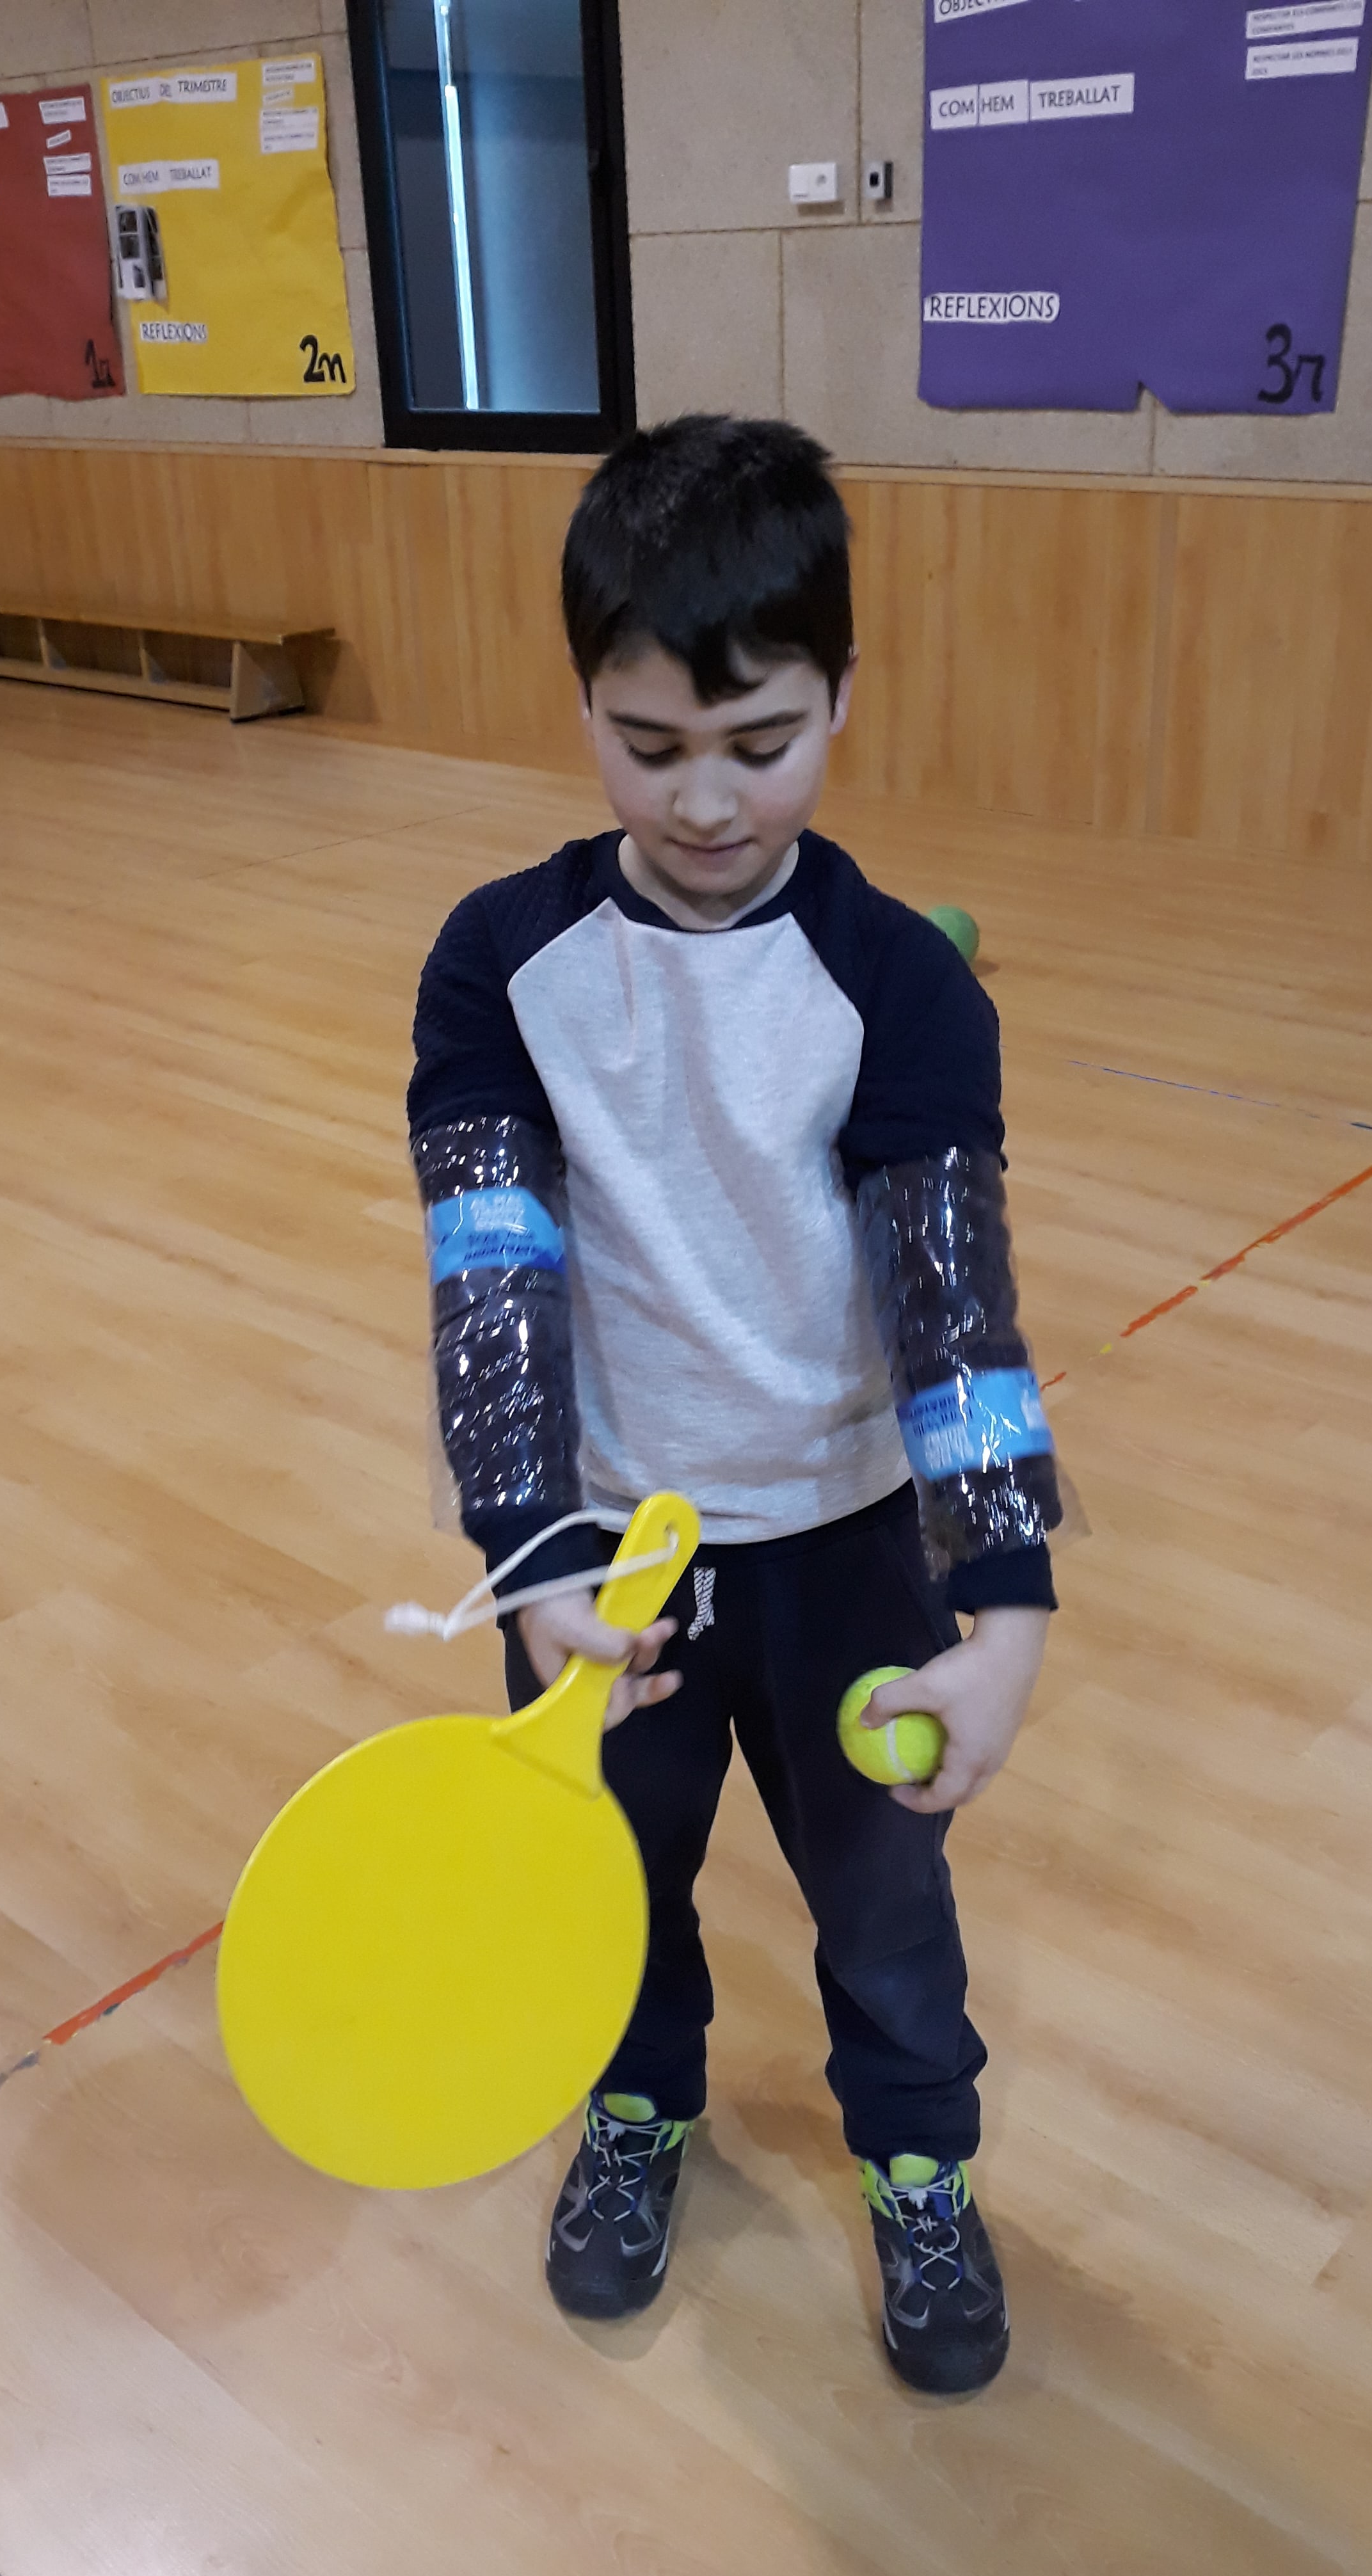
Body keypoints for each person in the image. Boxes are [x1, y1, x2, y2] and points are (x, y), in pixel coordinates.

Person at [406, 416, 1060, 2395]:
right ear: (586, 705)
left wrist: (1004, 1611)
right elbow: (492, 1281)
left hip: (849, 1547)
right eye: (648, 743)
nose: (703, 800)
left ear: (842, 696)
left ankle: (919, 2163)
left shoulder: (905, 991)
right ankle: (638, 2106)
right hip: (612, 1557)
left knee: (884, 1904)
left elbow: (955, 1312)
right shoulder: (498, 967)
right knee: (610, 1881)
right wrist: (532, 1559)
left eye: (760, 743)